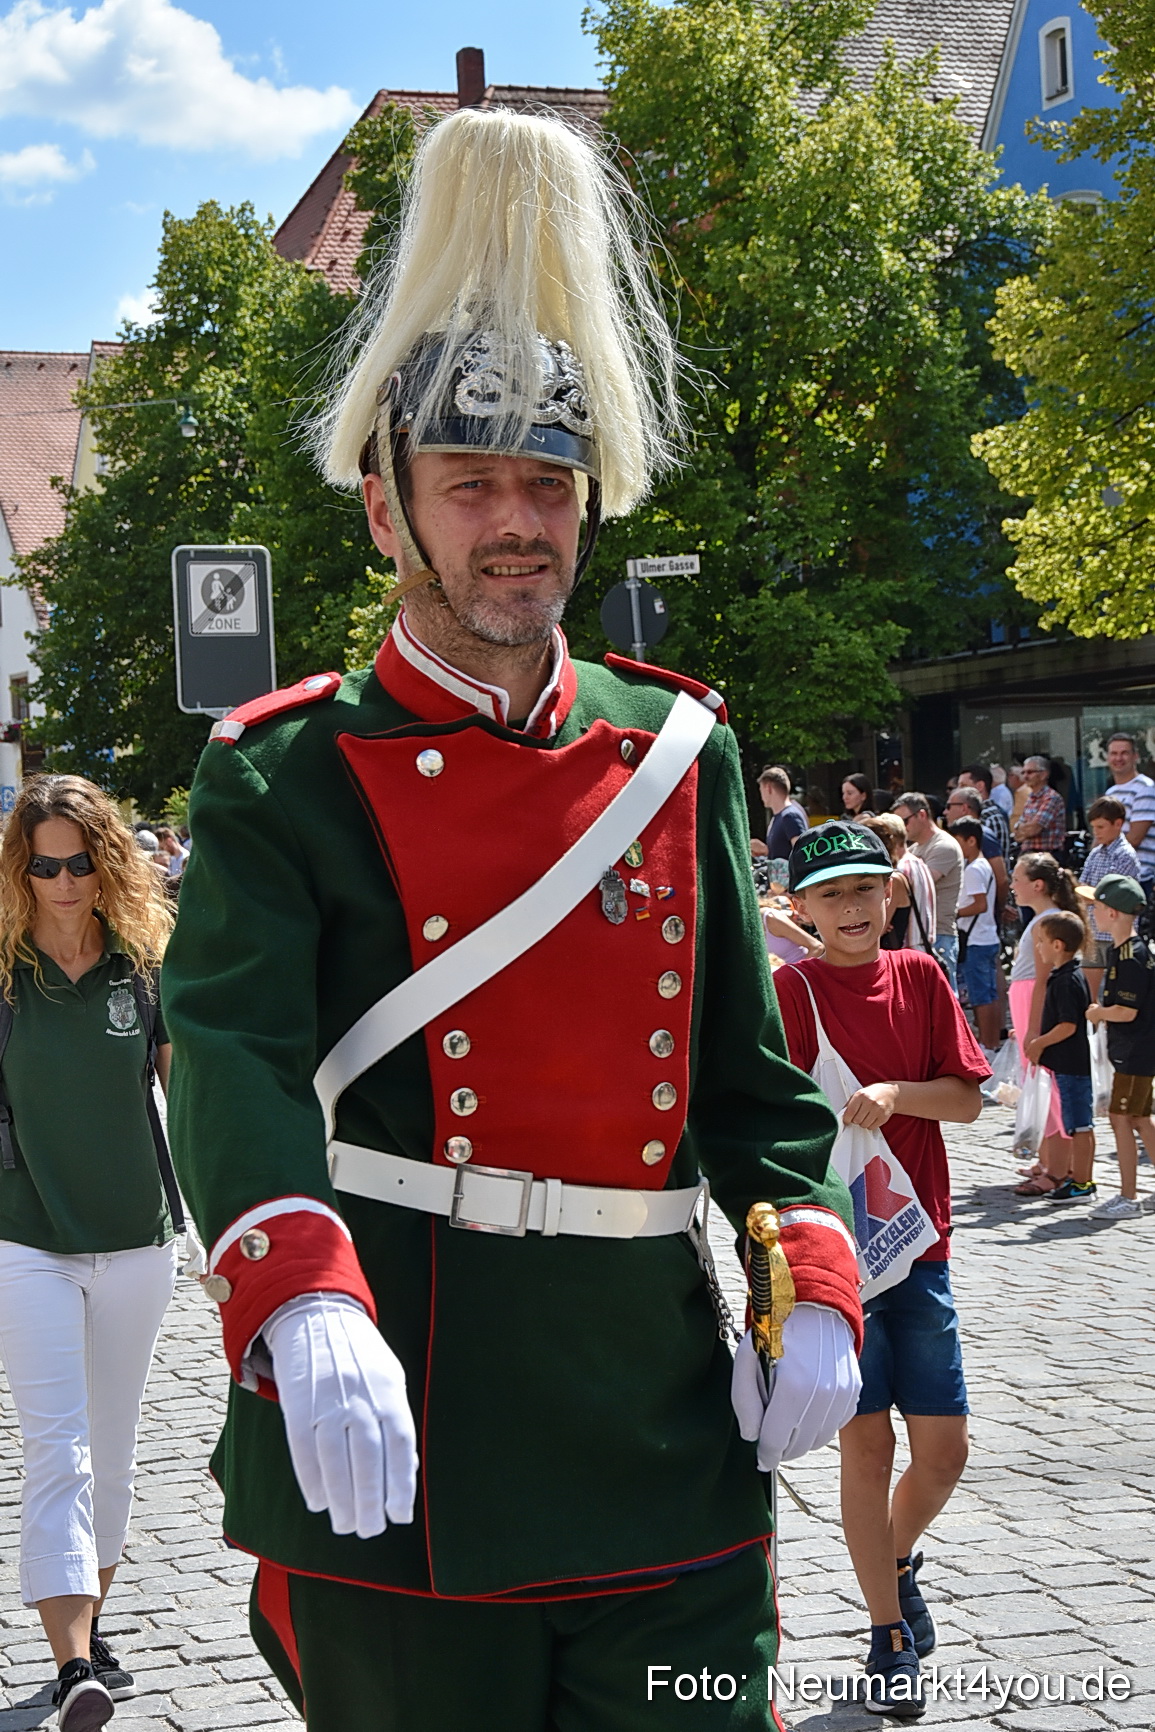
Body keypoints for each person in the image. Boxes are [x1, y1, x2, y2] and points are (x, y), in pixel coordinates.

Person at [162, 107, 864, 1732]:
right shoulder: (286, 774)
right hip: (400, 1435)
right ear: (386, 511)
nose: (516, 518)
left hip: (663, 1443)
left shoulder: (679, 747)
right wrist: (300, 1285)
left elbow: (752, 1092)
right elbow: (232, 1054)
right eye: (469, 481)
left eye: (546, 479)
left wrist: (814, 1270)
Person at [775, 821, 987, 1719]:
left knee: (943, 1451)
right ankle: (885, 1632)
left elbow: (969, 1101)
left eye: (864, 890)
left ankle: (893, 1564)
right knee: (866, 1444)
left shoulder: (921, 978)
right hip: (834, 1253)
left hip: (918, 1245)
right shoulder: (788, 992)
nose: (851, 909)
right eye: (830, 896)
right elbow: (764, 1118)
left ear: (891, 895)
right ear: (802, 909)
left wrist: (898, 1095)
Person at [0, 775, 180, 1731]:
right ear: (19, 871)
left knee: (113, 1454)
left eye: (79, 862)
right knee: (56, 1448)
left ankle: (92, 1628)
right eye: (44, 865)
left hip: (137, 1241)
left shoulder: (143, 969)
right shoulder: (1, 971)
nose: (63, 882)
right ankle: (74, 1667)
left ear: (105, 864)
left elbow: (188, 1104)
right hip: (26, 1239)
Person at [1008, 854, 1083, 1196]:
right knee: (1038, 1085)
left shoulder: (1046, 922)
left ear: (1037, 885)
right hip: (1026, 1002)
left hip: (1032, 1004)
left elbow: (1041, 981)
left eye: (1017, 879)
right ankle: (1048, 1160)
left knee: (1047, 1086)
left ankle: (1057, 1169)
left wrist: (1033, 1030)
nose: (1011, 885)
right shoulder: (1041, 918)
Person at [1084, 876, 1155, 1220]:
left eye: (1096, 907)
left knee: (1121, 1117)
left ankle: (1129, 1197)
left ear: (1112, 912)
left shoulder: (1131, 957)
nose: (1092, 912)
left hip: (1136, 1050)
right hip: (1134, 1049)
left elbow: (1127, 1011)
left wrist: (1098, 1012)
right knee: (1140, 1117)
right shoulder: (1125, 950)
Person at [1026, 911, 1095, 1202]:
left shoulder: (1067, 980)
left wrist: (1039, 1043)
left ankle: (1081, 1183)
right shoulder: (1064, 976)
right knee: (1076, 1124)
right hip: (1067, 1066)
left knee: (1080, 1126)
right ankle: (1079, 1180)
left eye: (1041, 941)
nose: (1037, 947)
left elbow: (1068, 1025)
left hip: (1073, 1067)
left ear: (1057, 945)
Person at [893, 793, 963, 991]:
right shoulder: (914, 850)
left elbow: (915, 885)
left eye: (903, 821)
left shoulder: (944, 846)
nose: (901, 827)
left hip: (938, 935)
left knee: (945, 1004)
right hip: (919, 936)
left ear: (921, 815)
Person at [1077, 796, 1142, 1001]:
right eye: (1094, 827)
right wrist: (1093, 894)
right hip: (1094, 931)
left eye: (1101, 827)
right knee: (1089, 994)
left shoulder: (1125, 855)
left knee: (1118, 994)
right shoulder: (1096, 853)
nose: (1096, 832)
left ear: (1118, 824)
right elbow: (1082, 888)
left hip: (1117, 934)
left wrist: (1092, 894)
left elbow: (1112, 896)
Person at [948, 818, 1002, 1057]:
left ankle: (987, 1045)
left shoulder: (973, 870)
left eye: (958, 842)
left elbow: (979, 904)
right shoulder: (983, 866)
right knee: (988, 994)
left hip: (976, 940)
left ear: (972, 840)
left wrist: (953, 912)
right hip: (986, 936)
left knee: (981, 996)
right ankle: (990, 1041)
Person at [861, 814, 934, 956]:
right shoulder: (915, 862)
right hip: (915, 949)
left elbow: (877, 929)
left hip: (907, 954)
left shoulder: (897, 874)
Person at [943, 787, 1008, 918]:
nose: (945, 812)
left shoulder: (984, 836)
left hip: (980, 925)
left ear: (964, 808)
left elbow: (1001, 879)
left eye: (949, 806)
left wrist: (1000, 909)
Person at [1101, 732, 1155, 887]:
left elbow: (1135, 838)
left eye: (1124, 753)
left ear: (1135, 756)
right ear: (1107, 758)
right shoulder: (1111, 793)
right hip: (1113, 876)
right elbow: (1101, 835)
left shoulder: (1145, 788)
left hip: (1138, 878)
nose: (1118, 758)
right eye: (1114, 753)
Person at [750, 764, 807, 860]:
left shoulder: (790, 816)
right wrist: (765, 850)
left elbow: (803, 853)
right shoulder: (780, 816)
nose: (761, 796)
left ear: (768, 788)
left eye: (761, 790)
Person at [1012, 756, 1067, 854]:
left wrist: (1022, 828)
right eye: (1023, 772)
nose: (1025, 776)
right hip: (1028, 855)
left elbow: (1033, 830)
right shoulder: (1030, 798)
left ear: (1043, 775)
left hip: (1047, 856)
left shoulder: (1052, 798)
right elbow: (1017, 834)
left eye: (1030, 772)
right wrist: (1020, 828)